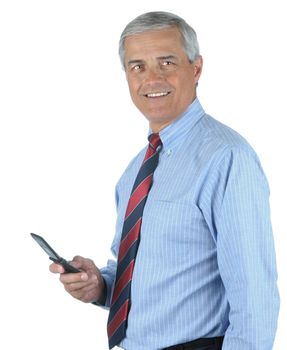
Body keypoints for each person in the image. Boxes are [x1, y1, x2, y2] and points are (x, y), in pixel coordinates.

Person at [49, 11, 280, 350]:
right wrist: (99, 285)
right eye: (137, 66)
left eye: (167, 63)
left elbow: (255, 299)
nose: (151, 79)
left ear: (196, 68)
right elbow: (139, 276)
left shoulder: (227, 158)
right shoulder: (134, 172)